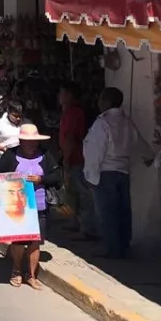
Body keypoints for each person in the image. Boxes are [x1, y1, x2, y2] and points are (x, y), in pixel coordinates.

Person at [84, 87, 154, 259]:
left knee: (107, 212)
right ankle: (123, 244)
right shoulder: (126, 122)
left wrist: (90, 176)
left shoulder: (102, 123)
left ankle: (111, 247)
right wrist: (148, 156)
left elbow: (95, 153)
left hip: (105, 173)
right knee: (123, 210)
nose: (99, 103)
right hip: (123, 172)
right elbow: (140, 142)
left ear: (107, 102)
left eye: (101, 99)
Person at [0, 124, 62, 288]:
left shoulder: (45, 155)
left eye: (34, 141)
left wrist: (41, 179)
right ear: (21, 141)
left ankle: (31, 275)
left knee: (35, 242)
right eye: (28, 141)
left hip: (39, 205)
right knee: (18, 242)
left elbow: (57, 175)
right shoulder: (11, 155)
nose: (31, 144)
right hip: (17, 206)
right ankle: (16, 270)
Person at [58, 82, 97, 239]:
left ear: (69, 95)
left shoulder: (73, 112)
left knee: (82, 192)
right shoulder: (68, 112)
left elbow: (70, 137)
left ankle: (87, 228)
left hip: (76, 157)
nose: (59, 97)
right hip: (72, 156)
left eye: (62, 93)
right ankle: (74, 220)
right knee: (72, 191)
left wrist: (66, 159)